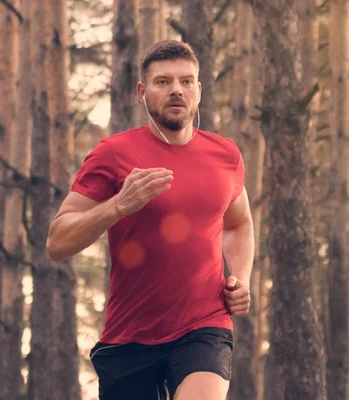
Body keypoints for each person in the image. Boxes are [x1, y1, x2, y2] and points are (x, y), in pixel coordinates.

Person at [46, 40, 254, 400]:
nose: (176, 89)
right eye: (163, 81)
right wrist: (116, 207)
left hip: (204, 326)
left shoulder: (225, 154)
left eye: (187, 81)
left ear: (199, 91)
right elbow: (57, 243)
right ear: (142, 92)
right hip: (129, 336)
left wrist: (240, 278)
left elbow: (238, 224)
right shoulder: (114, 153)